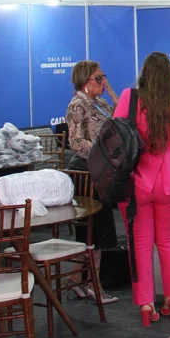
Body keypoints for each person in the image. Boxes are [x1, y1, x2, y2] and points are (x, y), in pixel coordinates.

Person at [115, 52, 170, 328]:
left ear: (144, 73)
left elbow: (116, 136)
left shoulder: (130, 97)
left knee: (140, 244)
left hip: (137, 181)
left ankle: (147, 303)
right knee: (169, 241)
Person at [64, 60, 120, 305]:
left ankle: (82, 281)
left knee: (101, 229)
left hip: (102, 170)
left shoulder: (100, 103)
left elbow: (121, 116)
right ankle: (90, 284)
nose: (102, 81)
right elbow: (76, 142)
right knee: (93, 228)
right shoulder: (78, 105)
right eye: (98, 78)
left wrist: (109, 90)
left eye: (103, 76)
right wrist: (102, 154)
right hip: (87, 171)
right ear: (84, 81)